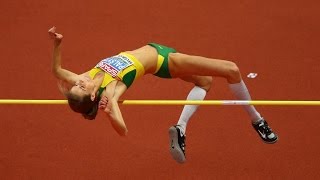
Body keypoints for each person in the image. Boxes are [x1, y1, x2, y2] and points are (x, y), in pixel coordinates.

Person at [48, 26, 278, 164]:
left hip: (161, 50)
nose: (79, 81)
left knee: (204, 83)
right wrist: (110, 113)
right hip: (164, 61)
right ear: (90, 97)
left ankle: (180, 128)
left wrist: (58, 44)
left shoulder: (88, 75)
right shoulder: (111, 90)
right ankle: (257, 120)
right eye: (80, 86)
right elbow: (122, 130)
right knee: (232, 69)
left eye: (76, 83)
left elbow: (58, 71)